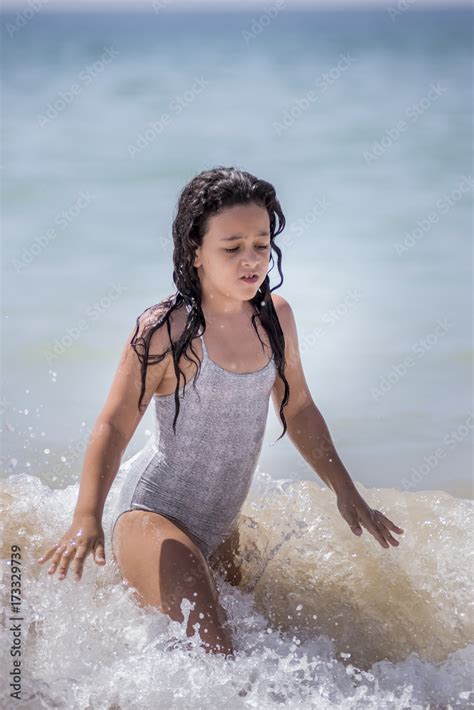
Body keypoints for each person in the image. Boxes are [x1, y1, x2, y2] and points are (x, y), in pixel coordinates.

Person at [37, 166, 405, 658]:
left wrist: (345, 490)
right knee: (220, 659)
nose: (251, 260)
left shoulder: (275, 318)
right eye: (232, 248)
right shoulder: (167, 329)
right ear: (196, 252)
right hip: (153, 516)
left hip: (219, 526)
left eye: (261, 243)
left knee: (255, 654)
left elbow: (299, 408)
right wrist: (86, 516)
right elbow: (115, 421)